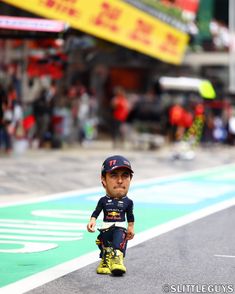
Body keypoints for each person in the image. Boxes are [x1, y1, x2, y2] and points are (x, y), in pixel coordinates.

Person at [87, 155, 135, 276]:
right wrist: (92, 220)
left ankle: (118, 259)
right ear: (103, 180)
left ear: (130, 179)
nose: (120, 181)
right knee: (105, 246)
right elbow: (96, 212)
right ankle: (105, 261)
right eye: (114, 175)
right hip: (105, 228)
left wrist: (131, 228)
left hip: (120, 228)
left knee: (118, 244)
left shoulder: (128, 202)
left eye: (125, 175)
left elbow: (130, 217)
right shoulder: (103, 201)